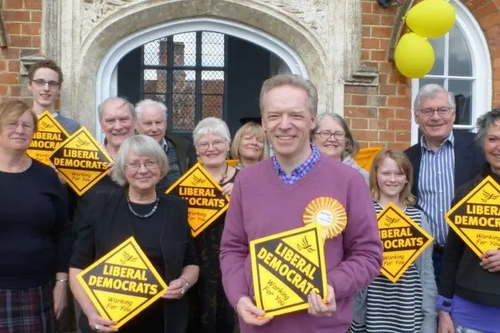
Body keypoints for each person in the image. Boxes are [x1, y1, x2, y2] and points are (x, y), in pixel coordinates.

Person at [220, 74, 383, 333]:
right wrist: (239, 297)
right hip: (258, 326)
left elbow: (368, 254)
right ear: (263, 121)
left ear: (312, 120)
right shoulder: (247, 180)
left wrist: (331, 286)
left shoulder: (348, 180)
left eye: (295, 115)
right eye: (274, 116)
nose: (284, 125)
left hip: (322, 327)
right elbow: (232, 250)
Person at [69, 135, 199, 333]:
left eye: (150, 163)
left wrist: (183, 283)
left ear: (162, 167)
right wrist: (91, 314)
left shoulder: (177, 208)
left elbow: (191, 261)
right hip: (110, 321)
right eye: (134, 164)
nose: (143, 170)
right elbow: (77, 267)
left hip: (164, 321)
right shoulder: (99, 206)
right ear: (123, 169)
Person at [0, 100, 72, 332]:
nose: (20, 130)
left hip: (40, 286)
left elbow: (64, 232)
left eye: (27, 125)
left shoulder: (47, 177)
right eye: (12, 123)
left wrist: (62, 283)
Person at [349, 149, 437, 333]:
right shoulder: (363, 215)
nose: (392, 179)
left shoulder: (418, 219)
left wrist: (429, 316)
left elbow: (426, 272)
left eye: (399, 173)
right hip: (370, 310)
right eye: (386, 173)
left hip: (408, 309)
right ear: (375, 176)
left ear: (407, 178)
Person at [405, 84, 484, 283]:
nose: (435, 117)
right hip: (427, 258)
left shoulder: (480, 149)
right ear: (416, 117)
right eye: (427, 111)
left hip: (473, 255)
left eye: (442, 110)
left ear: (454, 114)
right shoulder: (407, 159)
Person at [437, 109, 500, 333]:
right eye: (492, 139)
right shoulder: (466, 192)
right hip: (468, 313)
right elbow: (452, 255)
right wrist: (444, 309)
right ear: (483, 144)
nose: (498, 147)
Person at [189, 117, 238, 333]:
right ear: (197, 149)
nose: (211, 148)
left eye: (217, 142)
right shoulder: (187, 181)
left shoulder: (245, 180)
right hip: (196, 261)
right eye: (203, 144)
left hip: (234, 261)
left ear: (228, 145)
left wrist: (241, 195)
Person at [135, 99, 196, 190]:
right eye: (148, 123)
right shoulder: (127, 152)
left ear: (166, 123)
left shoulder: (183, 148)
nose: (154, 128)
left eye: (158, 122)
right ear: (136, 126)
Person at [312, 112, 369, 184]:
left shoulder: (361, 176)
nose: (332, 139)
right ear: (312, 138)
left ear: (347, 140)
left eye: (339, 134)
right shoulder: (301, 172)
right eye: (325, 133)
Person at [27, 59, 80, 134]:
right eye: (40, 82)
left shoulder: (72, 127)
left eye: (52, 83)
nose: (46, 88)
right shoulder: (18, 125)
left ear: (59, 88)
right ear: (30, 85)